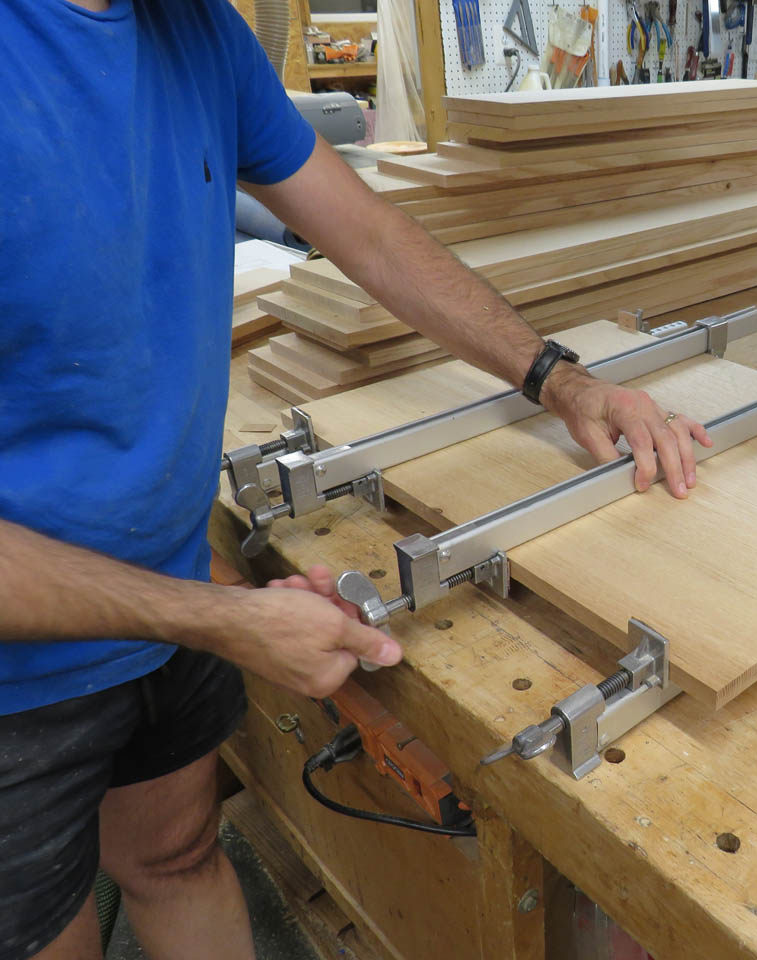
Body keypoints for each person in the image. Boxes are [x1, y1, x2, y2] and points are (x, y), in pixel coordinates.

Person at [0, 1, 711, 957]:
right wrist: (218, 617)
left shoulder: (197, 31)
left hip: (166, 579)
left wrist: (558, 379)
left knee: (175, 858)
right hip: (21, 666)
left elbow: (369, 235)